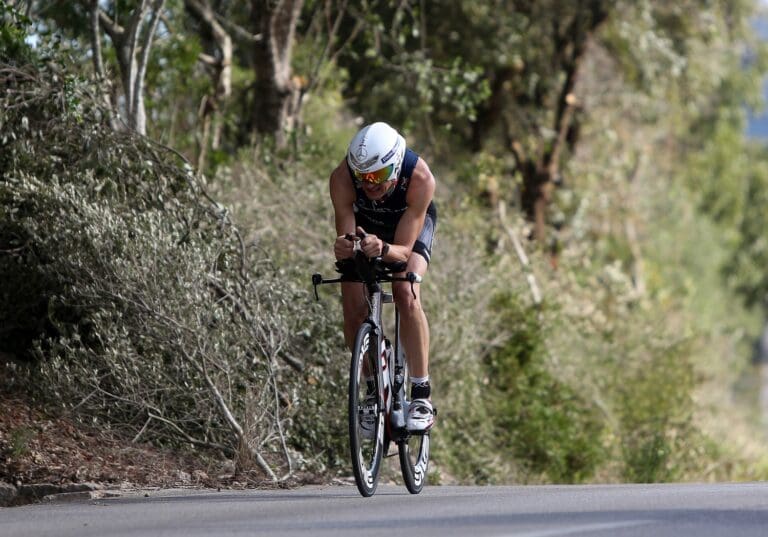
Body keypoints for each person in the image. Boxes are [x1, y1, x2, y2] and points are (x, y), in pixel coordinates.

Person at [329, 121, 437, 432]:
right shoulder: (342, 178)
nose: (368, 185)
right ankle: (373, 387)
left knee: (406, 291)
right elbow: (347, 236)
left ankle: (421, 393)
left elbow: (403, 252)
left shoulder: (419, 179)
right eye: (362, 177)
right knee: (352, 303)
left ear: (393, 168)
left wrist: (384, 248)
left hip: (407, 232)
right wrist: (345, 246)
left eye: (376, 177)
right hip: (367, 229)